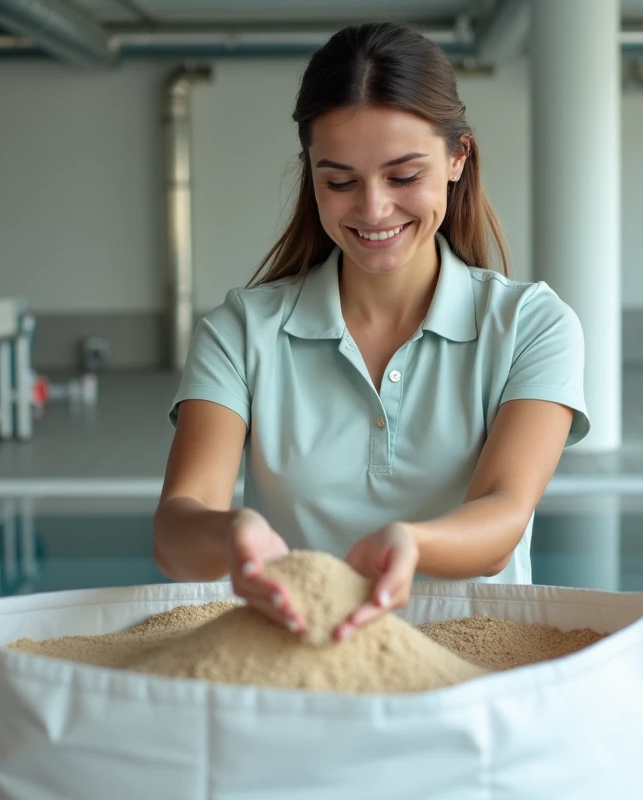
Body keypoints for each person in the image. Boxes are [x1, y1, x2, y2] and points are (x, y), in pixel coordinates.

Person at [152, 20, 589, 644]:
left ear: (457, 157)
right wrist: (232, 537)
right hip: (294, 660)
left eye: (404, 177)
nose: (374, 209)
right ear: (311, 174)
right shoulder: (240, 332)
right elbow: (178, 527)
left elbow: (503, 517)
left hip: (471, 665)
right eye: (340, 181)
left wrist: (411, 543)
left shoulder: (531, 326)